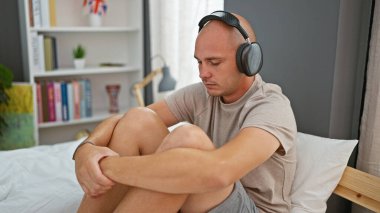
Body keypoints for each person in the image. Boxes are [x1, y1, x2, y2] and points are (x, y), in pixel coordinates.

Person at [73, 10, 297, 213]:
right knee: (138, 119)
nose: (203, 73)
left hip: (252, 208)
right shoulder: (202, 95)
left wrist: (107, 167)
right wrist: (86, 150)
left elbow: (221, 171)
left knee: (188, 138)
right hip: (204, 198)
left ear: (248, 60)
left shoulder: (272, 107)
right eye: (200, 63)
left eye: (214, 62)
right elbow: (123, 121)